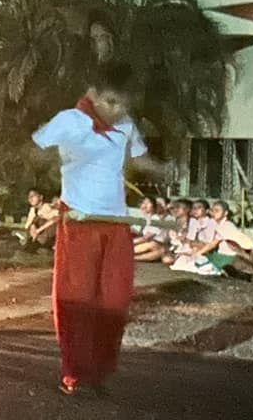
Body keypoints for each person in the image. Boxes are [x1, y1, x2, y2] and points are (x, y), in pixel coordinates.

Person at [31, 65, 168, 396]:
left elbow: (138, 160)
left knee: (115, 300)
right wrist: (55, 168)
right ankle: (74, 373)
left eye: (123, 104)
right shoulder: (68, 121)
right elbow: (35, 151)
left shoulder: (125, 125)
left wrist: (163, 169)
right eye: (111, 101)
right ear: (92, 94)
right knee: (76, 298)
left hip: (116, 222)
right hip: (79, 220)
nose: (117, 110)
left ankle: (100, 371)